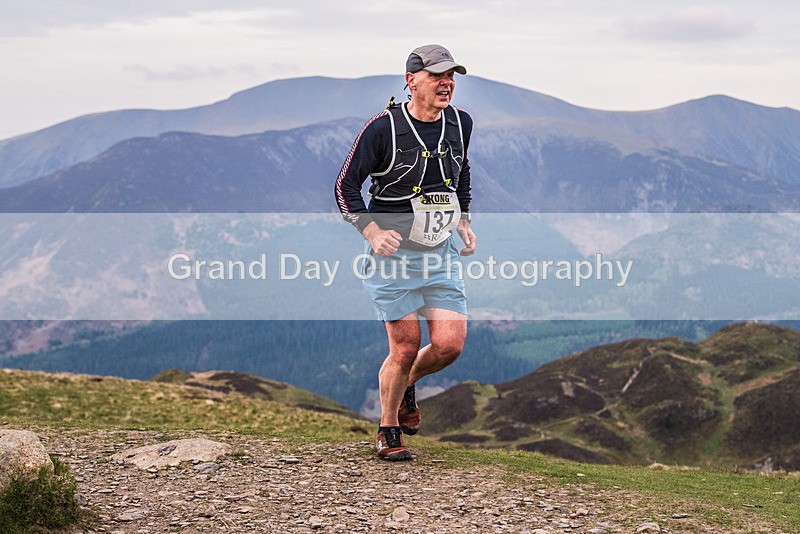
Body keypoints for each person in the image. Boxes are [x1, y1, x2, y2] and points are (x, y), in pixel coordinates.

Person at [334, 44, 476, 461]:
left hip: (439, 251)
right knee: (406, 344)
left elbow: (462, 169)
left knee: (450, 345)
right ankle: (388, 427)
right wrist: (371, 230)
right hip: (392, 255)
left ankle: (406, 383)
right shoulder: (383, 129)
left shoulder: (461, 123)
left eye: (451, 76)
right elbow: (345, 188)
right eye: (436, 76)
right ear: (412, 79)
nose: (446, 83)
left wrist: (463, 217)